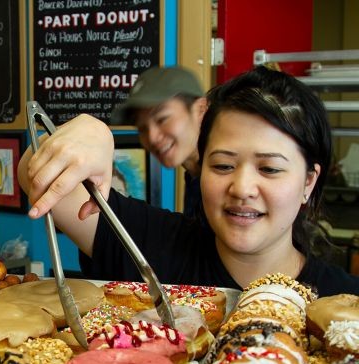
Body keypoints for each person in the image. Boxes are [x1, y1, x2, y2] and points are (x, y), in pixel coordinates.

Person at [19, 66, 359, 297]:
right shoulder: (154, 247)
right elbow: (31, 171)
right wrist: (90, 133)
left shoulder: (344, 302)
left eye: (269, 169)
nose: (241, 188)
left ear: (308, 182)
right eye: (223, 165)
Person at [111, 65, 207, 218]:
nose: (152, 138)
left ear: (200, 109)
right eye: (142, 128)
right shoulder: (195, 177)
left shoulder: (223, 184)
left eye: (162, 119)